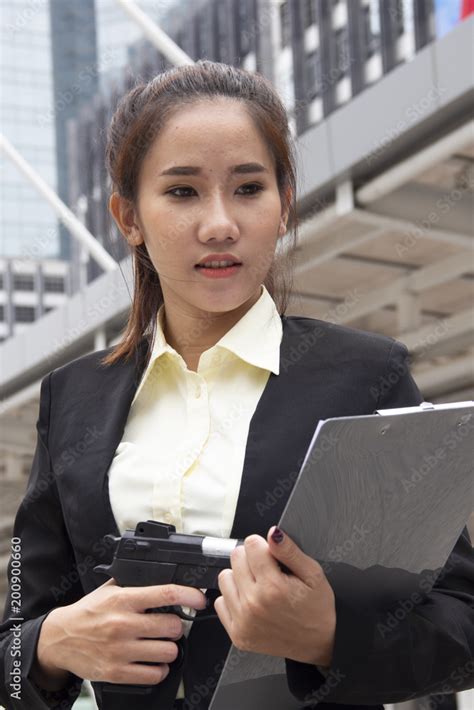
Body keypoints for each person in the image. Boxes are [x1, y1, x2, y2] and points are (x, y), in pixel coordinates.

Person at [1, 60, 473, 710]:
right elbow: (13, 636)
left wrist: (329, 636)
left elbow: (462, 622)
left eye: (248, 189)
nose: (220, 223)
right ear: (128, 216)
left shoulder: (369, 377)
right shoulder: (70, 399)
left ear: (283, 206)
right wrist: (52, 641)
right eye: (183, 192)